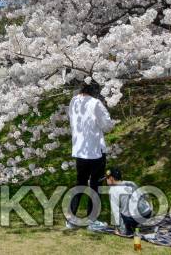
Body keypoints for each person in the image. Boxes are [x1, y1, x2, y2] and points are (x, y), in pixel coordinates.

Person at [66, 82, 115, 228]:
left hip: (80, 149)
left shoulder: (73, 101)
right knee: (96, 185)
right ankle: (92, 220)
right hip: (95, 151)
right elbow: (106, 125)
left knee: (80, 183)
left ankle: (71, 219)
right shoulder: (95, 103)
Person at [103, 167, 153, 236]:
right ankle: (137, 225)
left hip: (135, 217)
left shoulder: (113, 190)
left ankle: (127, 229)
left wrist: (121, 230)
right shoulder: (130, 183)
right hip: (147, 213)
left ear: (111, 178)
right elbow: (143, 196)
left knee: (119, 210)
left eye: (107, 178)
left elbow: (115, 212)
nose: (106, 180)